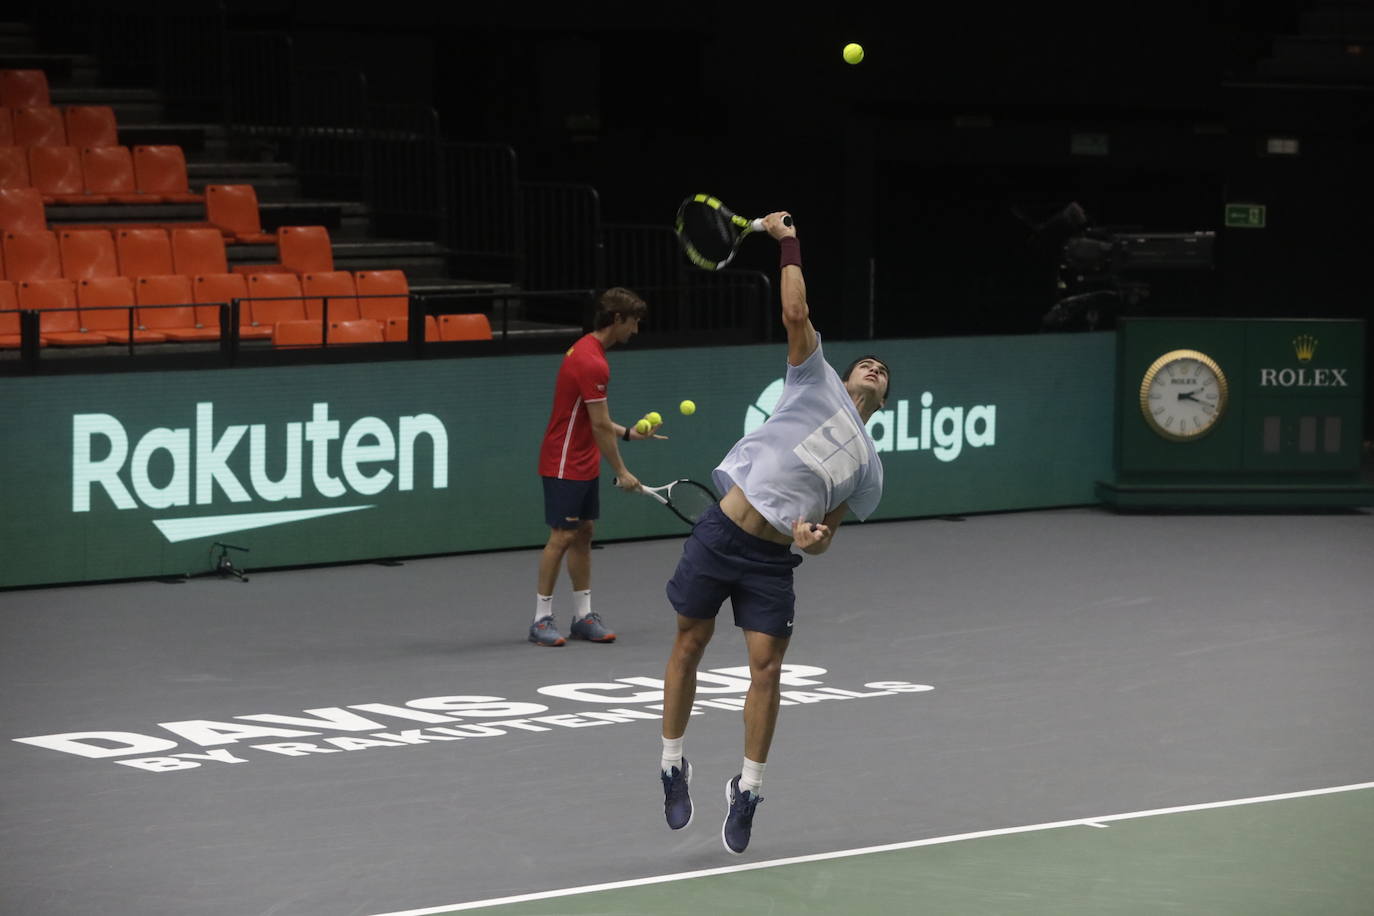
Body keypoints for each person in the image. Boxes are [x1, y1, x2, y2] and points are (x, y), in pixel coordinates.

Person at [656, 213, 890, 853]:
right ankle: (673, 762)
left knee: (768, 668)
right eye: (864, 362)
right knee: (689, 644)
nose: (872, 367)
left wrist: (815, 541)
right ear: (844, 376)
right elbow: (794, 312)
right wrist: (786, 237)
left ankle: (748, 789)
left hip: (769, 561)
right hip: (721, 531)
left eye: (882, 370)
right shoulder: (812, 378)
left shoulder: (868, 471)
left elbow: (828, 533)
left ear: (883, 398)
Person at [532, 287, 660, 647]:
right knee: (561, 536)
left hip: (583, 459)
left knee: (584, 532)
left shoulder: (588, 350)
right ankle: (541, 619)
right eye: (633, 323)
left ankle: (583, 616)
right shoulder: (592, 361)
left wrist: (630, 435)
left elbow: (597, 420)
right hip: (564, 461)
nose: (635, 331)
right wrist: (622, 470)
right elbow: (600, 425)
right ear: (617, 319)